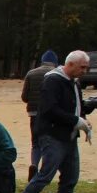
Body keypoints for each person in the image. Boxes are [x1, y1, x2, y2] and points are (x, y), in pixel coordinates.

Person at [11, 50, 92, 193]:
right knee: (45, 175)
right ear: (70, 64)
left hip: (69, 136)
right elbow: (50, 110)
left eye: (86, 68)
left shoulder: (74, 82)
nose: (84, 71)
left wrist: (84, 115)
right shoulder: (53, 80)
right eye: (82, 67)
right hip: (52, 135)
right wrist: (75, 120)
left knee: (71, 176)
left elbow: (74, 105)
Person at [21, 50, 59, 182]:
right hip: (50, 115)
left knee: (35, 142)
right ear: (55, 62)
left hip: (33, 113)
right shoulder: (56, 74)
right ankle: (45, 171)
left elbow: (24, 97)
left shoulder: (31, 73)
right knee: (48, 142)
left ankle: (34, 164)